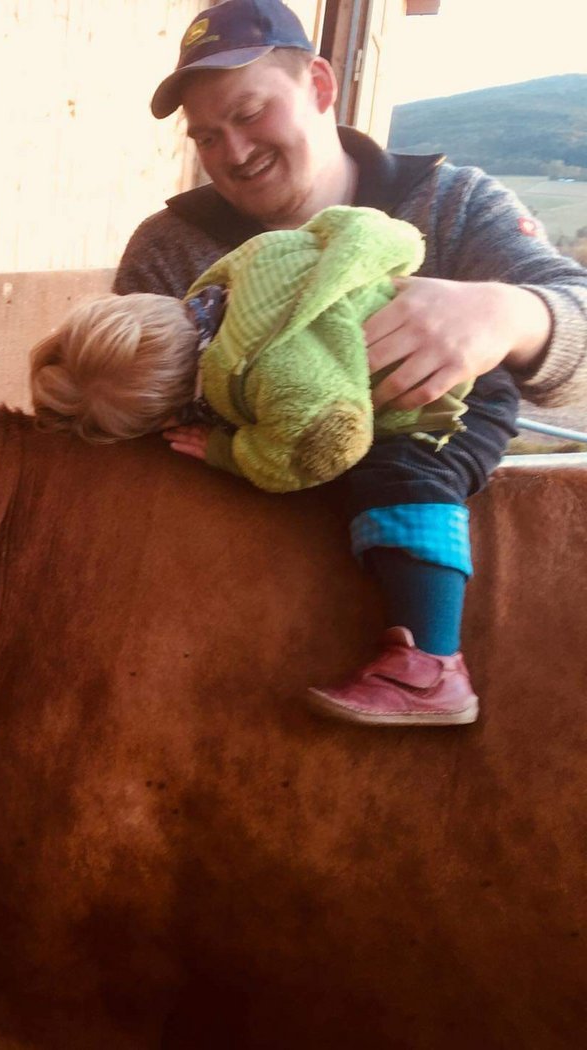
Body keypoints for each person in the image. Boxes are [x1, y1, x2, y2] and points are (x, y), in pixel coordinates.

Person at [114, 0, 587, 725]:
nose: (233, 153)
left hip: (432, 582)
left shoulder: (454, 205)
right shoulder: (168, 246)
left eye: (249, 113)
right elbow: (128, 431)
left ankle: (430, 659)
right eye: (207, 136)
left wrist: (510, 313)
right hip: (214, 600)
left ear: (321, 86)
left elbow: (576, 323)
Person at [33, 205, 475, 493]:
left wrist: (227, 452)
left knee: (403, 509)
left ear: (168, 416)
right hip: (401, 327)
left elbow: (330, 444)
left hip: (437, 401)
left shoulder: (259, 371)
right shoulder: (240, 273)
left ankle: (429, 637)